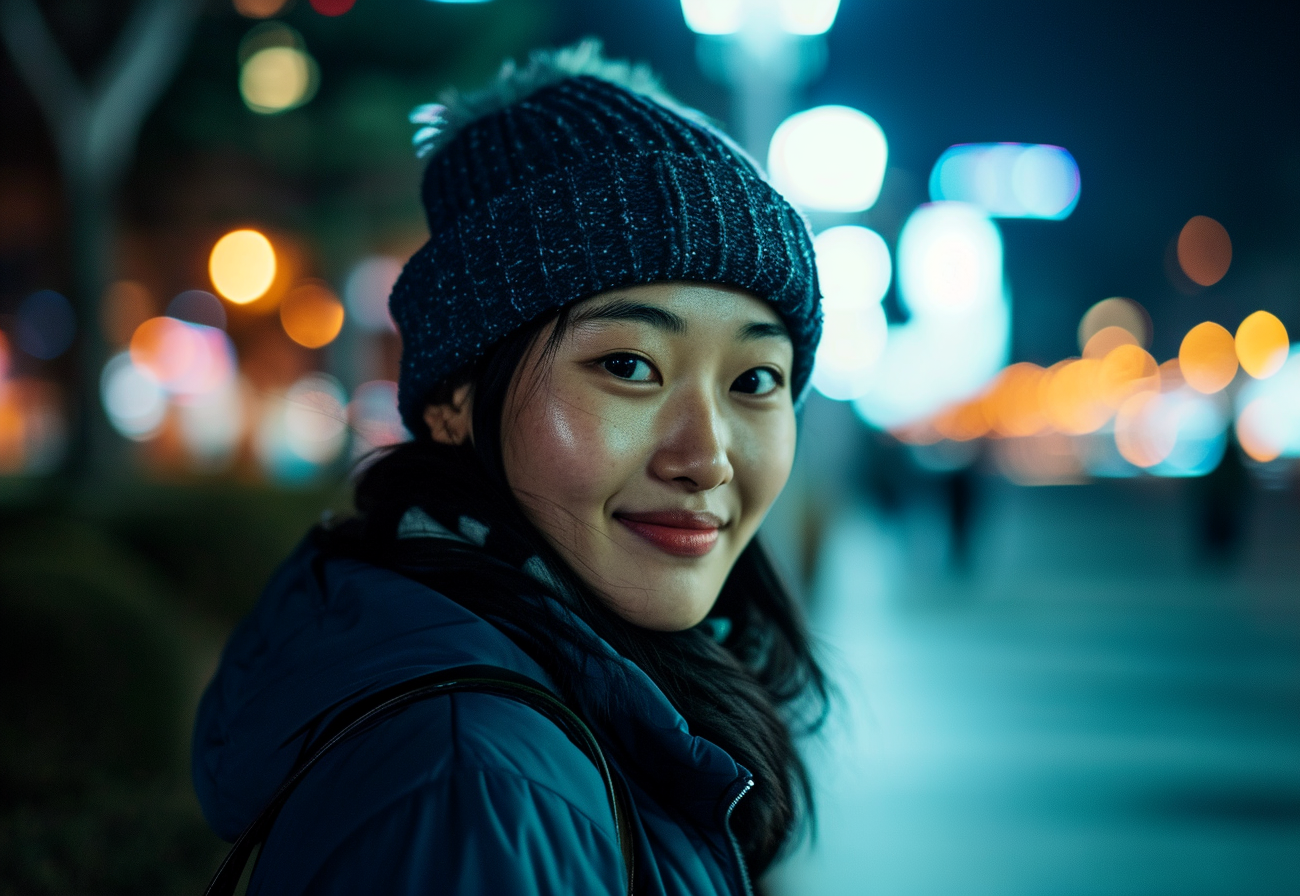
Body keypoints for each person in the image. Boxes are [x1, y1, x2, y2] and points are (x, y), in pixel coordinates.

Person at [192, 39, 828, 895]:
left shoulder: (595, 693)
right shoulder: (471, 783)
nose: (705, 457)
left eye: (755, 381)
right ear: (458, 396)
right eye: (630, 366)